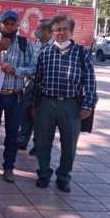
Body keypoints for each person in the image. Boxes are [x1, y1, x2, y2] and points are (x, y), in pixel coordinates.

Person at [33, 15, 98, 193]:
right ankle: (44, 174)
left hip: (71, 105)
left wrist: (88, 105)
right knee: (43, 143)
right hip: (47, 103)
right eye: (57, 30)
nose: (60, 33)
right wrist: (34, 104)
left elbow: (90, 82)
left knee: (69, 145)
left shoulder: (82, 53)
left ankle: (63, 177)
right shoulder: (45, 53)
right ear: (52, 32)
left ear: (71, 31)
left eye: (64, 29)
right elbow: (37, 80)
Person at [0, 10, 34, 183]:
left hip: (15, 96)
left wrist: (15, 70)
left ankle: (9, 167)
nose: (9, 27)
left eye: (12, 24)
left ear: (17, 25)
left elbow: (33, 70)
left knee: (12, 134)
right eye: (6, 23)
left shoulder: (25, 44)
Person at [18, 19, 53, 155]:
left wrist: (16, 70)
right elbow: (31, 63)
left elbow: (35, 70)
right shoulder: (38, 43)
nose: (36, 31)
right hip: (31, 84)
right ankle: (22, 140)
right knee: (26, 113)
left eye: (39, 29)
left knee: (40, 117)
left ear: (47, 31)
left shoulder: (53, 47)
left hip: (43, 87)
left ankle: (38, 146)